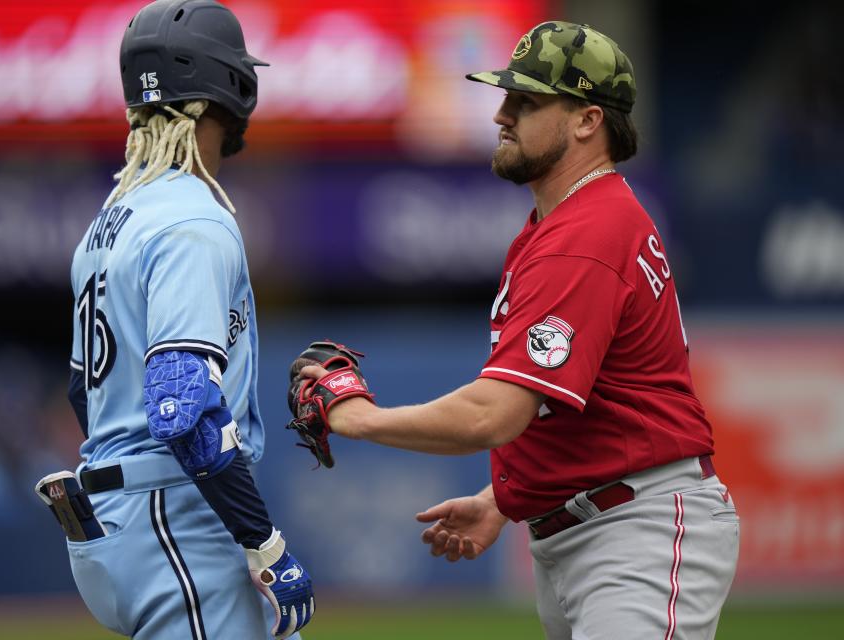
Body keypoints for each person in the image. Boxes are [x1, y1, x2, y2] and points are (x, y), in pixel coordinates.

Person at [289, 21, 739, 640]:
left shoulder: (584, 237)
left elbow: (490, 415)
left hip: (636, 531)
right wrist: (506, 498)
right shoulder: (567, 224)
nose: (501, 113)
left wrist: (359, 417)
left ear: (587, 120)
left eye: (526, 101)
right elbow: (590, 400)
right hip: (595, 526)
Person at [60, 1, 313, 638]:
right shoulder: (193, 219)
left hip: (117, 521)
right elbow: (179, 407)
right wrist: (264, 543)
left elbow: (78, 392)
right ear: (229, 91)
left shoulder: (109, 222)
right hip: (174, 515)